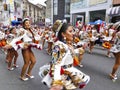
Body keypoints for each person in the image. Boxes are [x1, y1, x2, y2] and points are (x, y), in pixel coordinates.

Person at [39, 20, 90, 90]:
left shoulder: (65, 44)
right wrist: (57, 81)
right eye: (70, 31)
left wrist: (81, 49)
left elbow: (68, 53)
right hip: (61, 74)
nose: (73, 33)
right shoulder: (59, 46)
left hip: (68, 71)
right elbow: (56, 64)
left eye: (73, 31)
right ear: (63, 34)